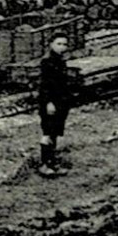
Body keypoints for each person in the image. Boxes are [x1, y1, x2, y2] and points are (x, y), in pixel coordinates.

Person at [37, 33, 73, 177]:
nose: (62, 47)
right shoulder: (48, 62)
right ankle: (45, 164)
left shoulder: (60, 60)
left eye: (64, 44)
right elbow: (45, 85)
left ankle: (52, 162)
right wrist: (48, 102)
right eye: (59, 44)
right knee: (48, 133)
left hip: (60, 102)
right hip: (50, 103)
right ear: (51, 44)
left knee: (55, 132)